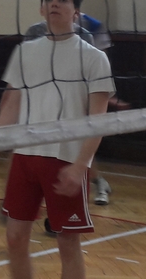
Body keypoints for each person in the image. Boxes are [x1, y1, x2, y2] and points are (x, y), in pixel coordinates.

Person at [0, 0, 115, 279]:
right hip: (25, 157)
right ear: (41, 9)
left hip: (65, 160)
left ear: (76, 12)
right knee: (14, 238)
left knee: (67, 243)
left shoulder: (95, 58)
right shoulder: (25, 52)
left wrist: (80, 166)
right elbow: (10, 105)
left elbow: (98, 120)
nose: (54, 4)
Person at [24, 12, 121, 207]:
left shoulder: (89, 30)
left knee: (77, 148)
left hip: (74, 102)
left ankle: (97, 183)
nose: (55, 5)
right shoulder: (34, 32)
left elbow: (96, 68)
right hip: (42, 101)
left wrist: (101, 97)